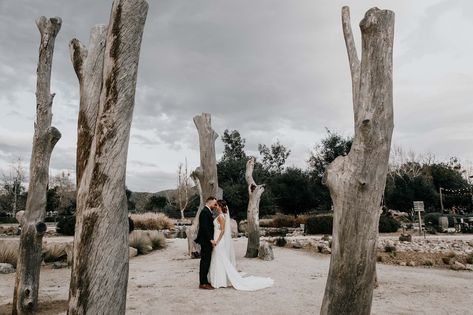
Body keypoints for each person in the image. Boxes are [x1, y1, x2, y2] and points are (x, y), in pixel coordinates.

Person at [209, 199, 273, 291]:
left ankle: (220, 281)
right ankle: (219, 280)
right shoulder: (220, 216)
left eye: (217, 205)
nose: (215, 206)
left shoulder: (221, 217)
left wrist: (217, 241)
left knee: (220, 259)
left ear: (220, 207)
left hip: (219, 240)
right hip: (217, 239)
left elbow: (222, 231)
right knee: (218, 259)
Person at [195, 196, 218, 290]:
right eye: (214, 203)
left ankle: (204, 281)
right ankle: (203, 283)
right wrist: (210, 239)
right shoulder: (204, 212)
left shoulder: (208, 211)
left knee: (207, 261)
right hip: (205, 241)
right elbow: (204, 228)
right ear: (210, 202)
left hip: (206, 241)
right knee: (204, 261)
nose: (215, 205)